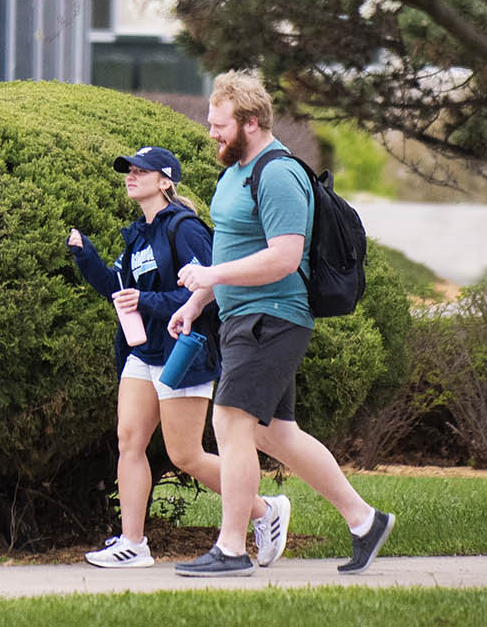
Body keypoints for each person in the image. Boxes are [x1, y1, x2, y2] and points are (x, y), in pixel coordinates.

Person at [169, 71, 395, 578]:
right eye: (210, 123)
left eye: (220, 125)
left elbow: (285, 257)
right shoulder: (235, 172)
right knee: (276, 434)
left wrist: (211, 274)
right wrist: (199, 298)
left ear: (251, 121)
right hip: (240, 317)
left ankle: (231, 548)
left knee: (229, 422)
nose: (212, 134)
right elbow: (233, 250)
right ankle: (365, 521)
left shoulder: (278, 174)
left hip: (271, 318)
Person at [68, 146, 287, 569]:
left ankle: (263, 511)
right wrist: (86, 257)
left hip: (182, 352)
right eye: (128, 170)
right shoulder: (138, 233)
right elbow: (120, 292)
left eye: (141, 171)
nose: (131, 176)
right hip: (142, 351)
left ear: (165, 180)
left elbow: (207, 292)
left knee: (184, 454)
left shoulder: (184, 229)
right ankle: (133, 543)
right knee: (129, 441)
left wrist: (147, 299)